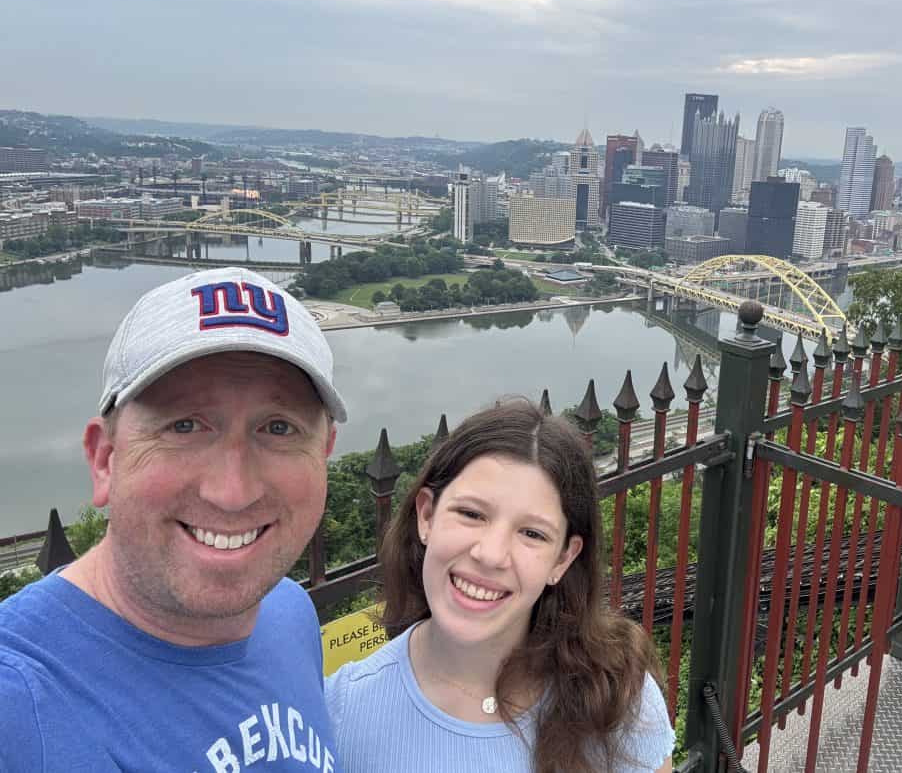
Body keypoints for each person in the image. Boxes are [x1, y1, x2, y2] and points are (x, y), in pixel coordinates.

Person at [0, 266, 348, 772]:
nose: (233, 492)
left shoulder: (289, 613)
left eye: (278, 427)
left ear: (324, 453)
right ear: (105, 460)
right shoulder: (19, 706)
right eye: (184, 426)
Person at [325, 400, 675, 773]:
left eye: (532, 533)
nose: (491, 555)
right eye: (471, 514)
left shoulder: (614, 696)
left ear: (563, 559)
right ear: (426, 516)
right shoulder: (341, 712)